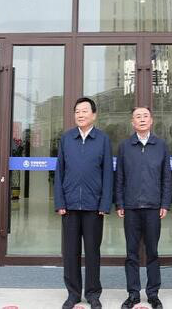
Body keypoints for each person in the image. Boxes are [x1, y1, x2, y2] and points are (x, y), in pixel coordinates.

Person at [55, 97, 113, 309]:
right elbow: (59, 171)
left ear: (94, 115)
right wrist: (60, 201)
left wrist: (104, 204)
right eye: (77, 111)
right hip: (70, 205)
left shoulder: (103, 139)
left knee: (92, 252)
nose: (80, 114)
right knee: (70, 253)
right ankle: (73, 294)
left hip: (93, 206)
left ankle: (93, 294)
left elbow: (108, 173)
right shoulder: (66, 139)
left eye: (84, 111)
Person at [115, 107, 172, 309]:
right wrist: (119, 202)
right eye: (137, 117)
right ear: (132, 122)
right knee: (131, 253)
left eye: (145, 116)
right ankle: (133, 294)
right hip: (131, 207)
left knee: (152, 252)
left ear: (151, 120)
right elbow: (119, 176)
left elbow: (166, 177)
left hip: (153, 207)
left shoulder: (161, 145)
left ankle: (153, 294)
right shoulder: (125, 146)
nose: (142, 119)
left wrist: (165, 203)